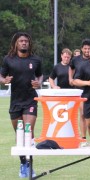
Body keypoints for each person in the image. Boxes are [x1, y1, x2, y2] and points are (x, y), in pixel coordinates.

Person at [0, 32, 43, 178]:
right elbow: (1, 76)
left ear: (29, 43)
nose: (24, 43)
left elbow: (40, 75)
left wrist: (38, 82)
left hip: (31, 100)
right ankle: (23, 163)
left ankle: (30, 166)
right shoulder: (8, 59)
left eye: (26, 41)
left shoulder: (36, 60)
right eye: (21, 41)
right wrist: (4, 80)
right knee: (19, 135)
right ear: (16, 44)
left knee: (28, 131)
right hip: (15, 102)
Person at [69, 38, 90, 146]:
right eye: (85, 48)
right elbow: (71, 68)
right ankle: (83, 138)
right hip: (80, 90)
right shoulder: (76, 60)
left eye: (89, 48)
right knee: (82, 114)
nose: (87, 51)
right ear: (82, 49)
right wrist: (70, 78)